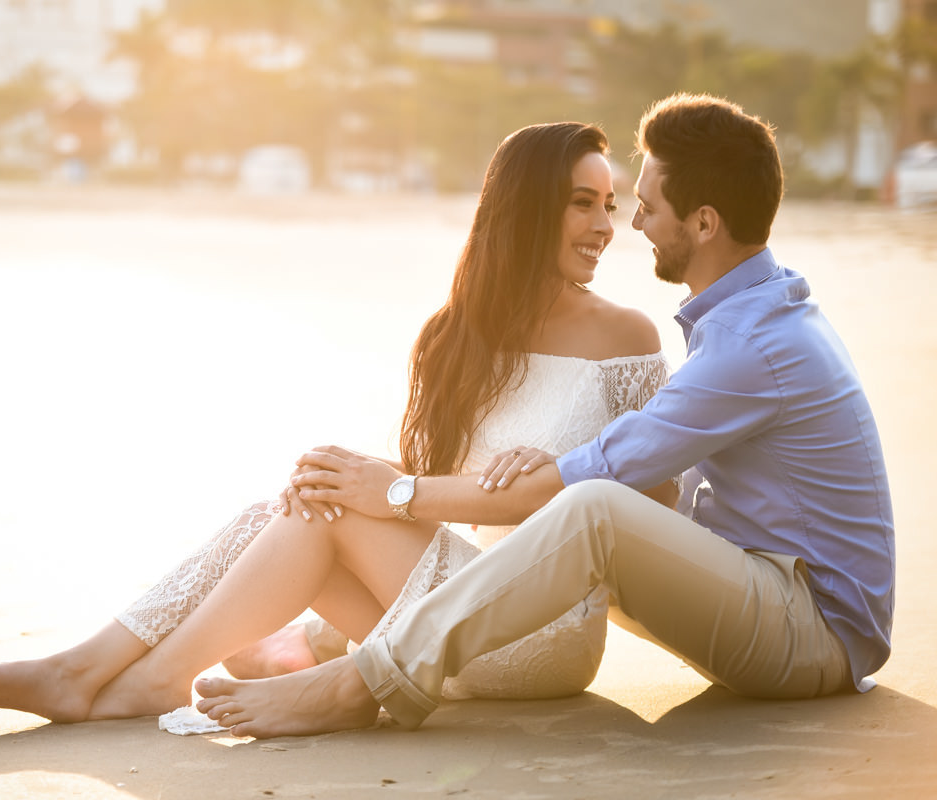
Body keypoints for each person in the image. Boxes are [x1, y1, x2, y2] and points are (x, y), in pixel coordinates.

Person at [192, 92, 896, 738]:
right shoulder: (751, 315)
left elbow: (596, 481)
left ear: (705, 222)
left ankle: (362, 680)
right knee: (578, 508)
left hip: (814, 634)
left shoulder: (753, 346)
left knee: (590, 508)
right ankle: (323, 643)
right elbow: (641, 481)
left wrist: (397, 493)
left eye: (645, 205)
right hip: (767, 590)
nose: (634, 224)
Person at [0, 121, 679, 723]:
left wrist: (553, 480)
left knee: (327, 508)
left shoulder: (628, 338)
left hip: (541, 633)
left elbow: (656, 506)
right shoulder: (456, 336)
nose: (604, 226)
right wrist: (361, 484)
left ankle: (140, 677)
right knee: (292, 505)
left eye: (608, 205)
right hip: (437, 621)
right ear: (525, 207)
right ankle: (93, 668)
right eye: (583, 203)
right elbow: (424, 487)